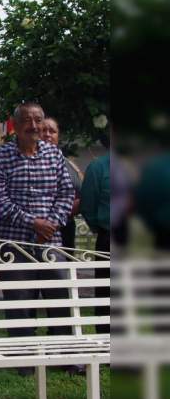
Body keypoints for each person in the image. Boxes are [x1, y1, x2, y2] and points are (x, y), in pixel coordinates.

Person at [0, 102, 83, 377]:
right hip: (15, 244)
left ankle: (66, 356)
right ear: (16, 126)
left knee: (61, 299)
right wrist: (33, 222)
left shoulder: (54, 155)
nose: (33, 126)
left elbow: (66, 193)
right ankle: (24, 360)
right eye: (27, 121)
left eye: (38, 120)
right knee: (19, 302)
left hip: (50, 241)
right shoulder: (2, 156)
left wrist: (52, 222)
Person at [80, 134, 111, 334]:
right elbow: (88, 205)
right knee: (107, 293)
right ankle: (106, 344)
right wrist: (98, 225)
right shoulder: (98, 167)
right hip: (110, 238)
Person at [41, 117, 84, 250]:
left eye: (52, 131)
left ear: (58, 136)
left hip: (67, 228)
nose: (48, 134)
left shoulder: (69, 163)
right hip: (41, 228)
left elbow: (81, 192)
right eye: (44, 130)